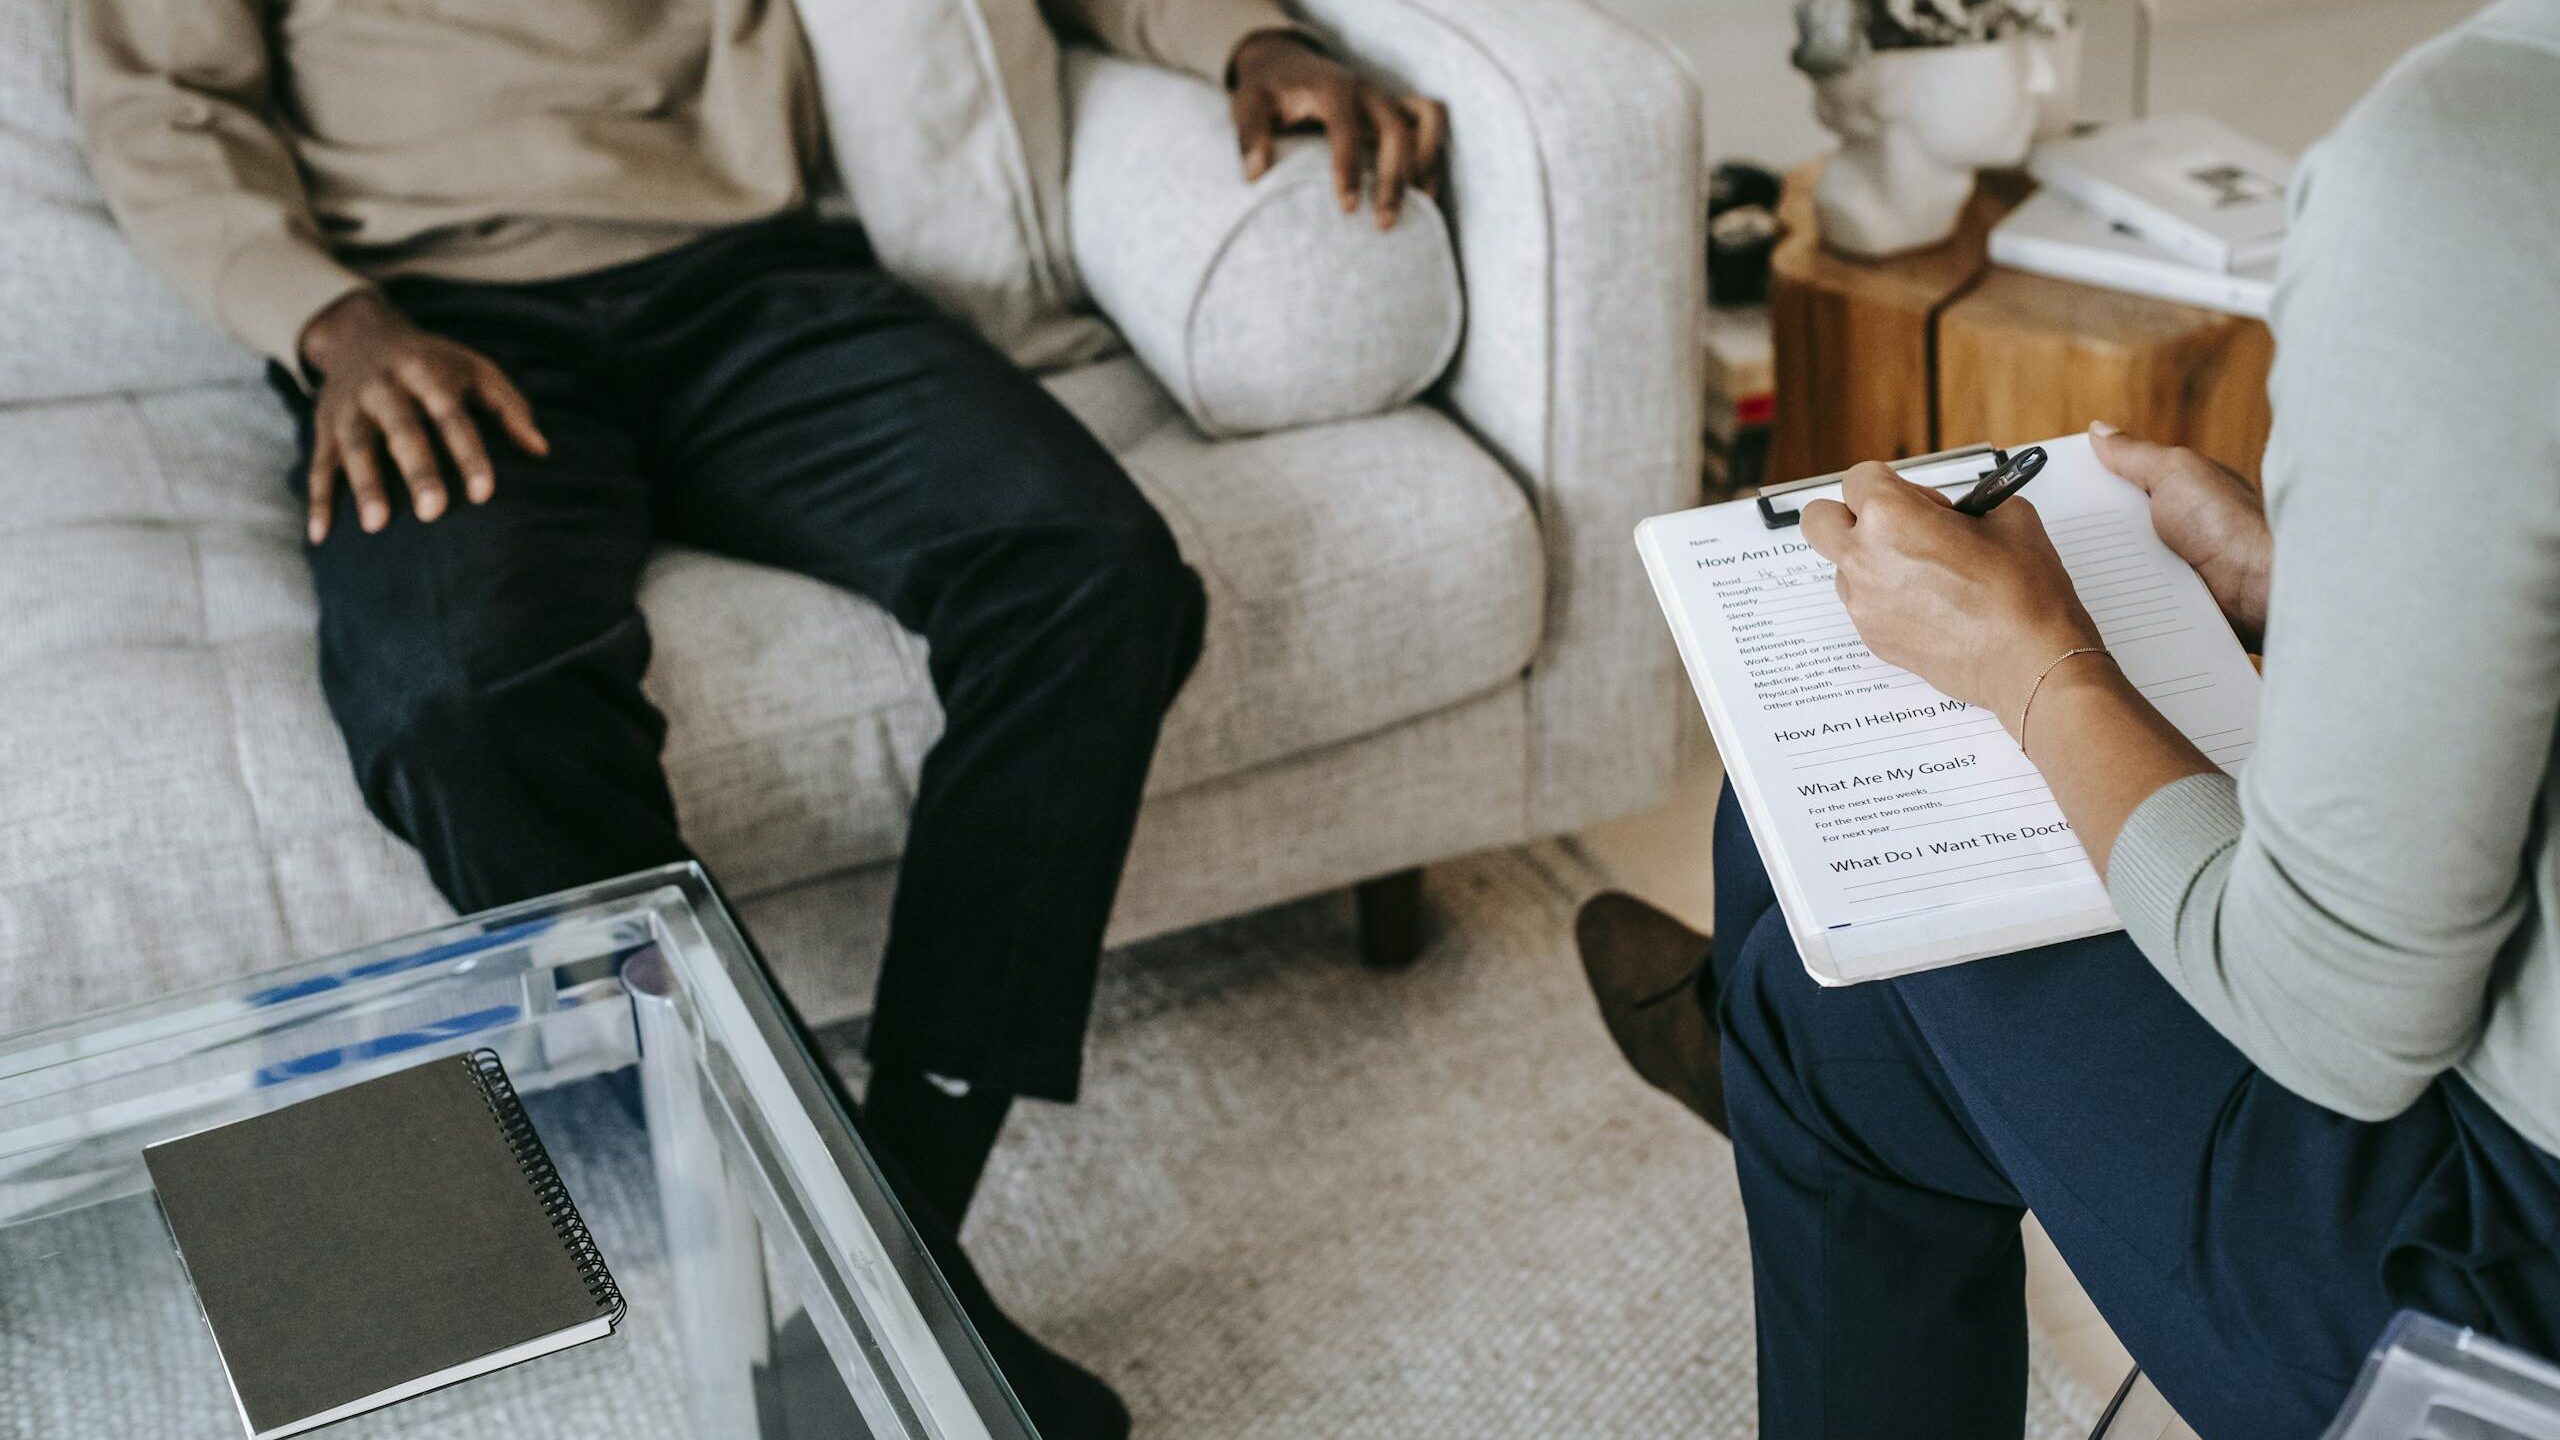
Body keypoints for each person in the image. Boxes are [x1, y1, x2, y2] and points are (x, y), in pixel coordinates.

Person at [73, 0, 1445, 1432]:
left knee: (1092, 577)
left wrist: (1246, 39)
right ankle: (864, 1270)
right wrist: (331, 324)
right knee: (457, 709)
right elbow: (160, 100)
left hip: (757, 282)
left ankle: (870, 1230)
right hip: (423, 315)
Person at [1578, 3, 2560, 1436]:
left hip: (2501, 1292)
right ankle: (1812, 1079)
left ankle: (1793, 1074)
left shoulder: (2479, 165)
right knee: (1827, 960)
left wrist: (2029, 660)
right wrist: (2330, 588)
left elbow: (2339, 1016)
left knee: (1822, 932)